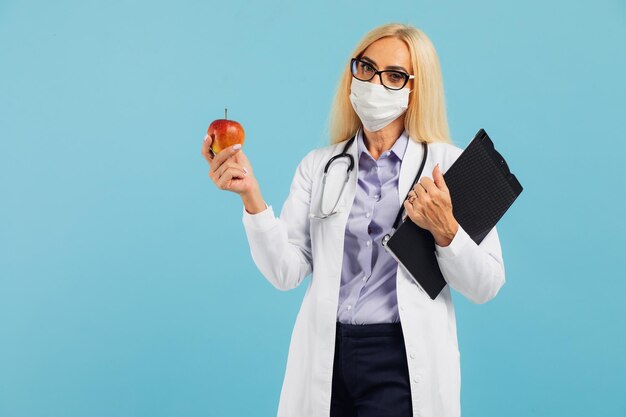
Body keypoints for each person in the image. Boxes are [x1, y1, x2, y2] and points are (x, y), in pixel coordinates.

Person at [201, 22, 506, 417]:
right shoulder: (320, 166)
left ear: (416, 89)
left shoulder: (447, 167)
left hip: (401, 359)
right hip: (328, 352)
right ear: (353, 71)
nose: (375, 83)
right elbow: (285, 272)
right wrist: (251, 196)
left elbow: (486, 286)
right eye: (366, 67)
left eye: (394, 75)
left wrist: (446, 230)